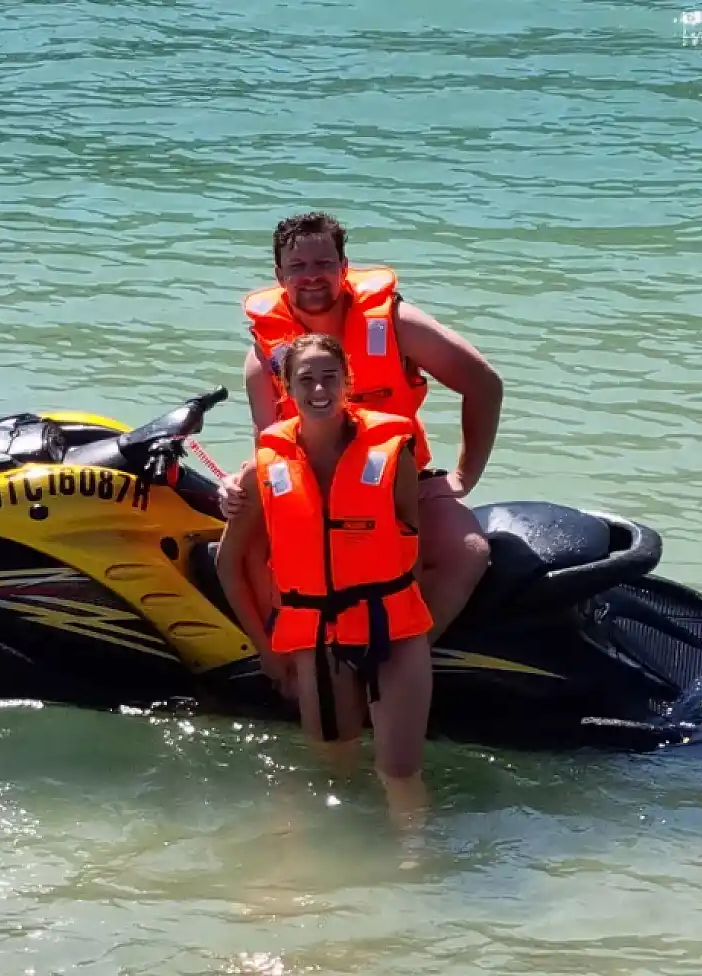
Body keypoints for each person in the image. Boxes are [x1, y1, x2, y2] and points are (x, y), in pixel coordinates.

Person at [221, 211, 503, 648]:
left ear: (344, 267)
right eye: (298, 267)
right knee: (249, 551)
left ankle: (401, 658)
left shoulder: (395, 322)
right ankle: (286, 662)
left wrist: (463, 478)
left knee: (467, 551)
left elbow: (484, 384)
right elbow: (269, 444)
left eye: (323, 264)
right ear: (279, 275)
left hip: (395, 490)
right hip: (310, 501)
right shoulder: (265, 355)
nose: (311, 277)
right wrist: (234, 486)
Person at [215, 332, 435, 824]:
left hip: (392, 631)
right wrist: (269, 652)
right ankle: (330, 875)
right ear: (287, 390)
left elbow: (409, 539)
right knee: (332, 773)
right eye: (306, 380)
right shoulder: (263, 469)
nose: (319, 390)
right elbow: (228, 563)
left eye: (330, 378)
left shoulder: (393, 451)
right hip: (317, 639)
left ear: (348, 382)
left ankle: (415, 870)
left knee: (400, 773)